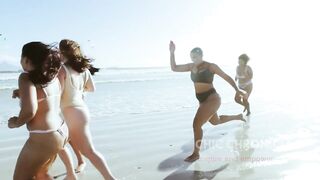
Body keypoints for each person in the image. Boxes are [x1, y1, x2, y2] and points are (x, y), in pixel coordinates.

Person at [8, 42, 76, 179]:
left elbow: (29, 111)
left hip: (44, 136)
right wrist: (23, 93)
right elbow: (47, 98)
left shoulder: (25, 77)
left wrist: (15, 122)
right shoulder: (52, 77)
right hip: (61, 130)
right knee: (41, 175)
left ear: (26, 60)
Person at [169, 41, 245, 162]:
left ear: (201, 55)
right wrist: (172, 52)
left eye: (195, 57)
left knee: (196, 124)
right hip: (202, 101)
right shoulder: (190, 66)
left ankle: (196, 153)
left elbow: (226, 77)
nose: (193, 59)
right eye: (191, 57)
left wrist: (236, 90)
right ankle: (238, 116)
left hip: (212, 99)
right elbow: (174, 68)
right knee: (216, 121)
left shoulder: (211, 66)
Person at [58, 39, 115, 180]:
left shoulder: (62, 69)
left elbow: (56, 93)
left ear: (61, 52)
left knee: (65, 145)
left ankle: (108, 178)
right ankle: (72, 175)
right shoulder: (83, 70)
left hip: (70, 113)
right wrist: (78, 91)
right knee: (67, 145)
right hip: (82, 111)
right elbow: (92, 88)